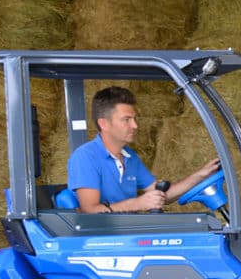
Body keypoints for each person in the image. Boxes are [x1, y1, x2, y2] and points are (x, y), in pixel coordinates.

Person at [67, 86, 220, 213]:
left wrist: (201, 175)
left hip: (131, 234)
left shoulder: (130, 157)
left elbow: (162, 195)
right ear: (104, 124)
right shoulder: (85, 156)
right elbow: (90, 211)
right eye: (126, 120)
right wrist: (137, 204)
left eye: (134, 119)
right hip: (103, 242)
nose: (135, 126)